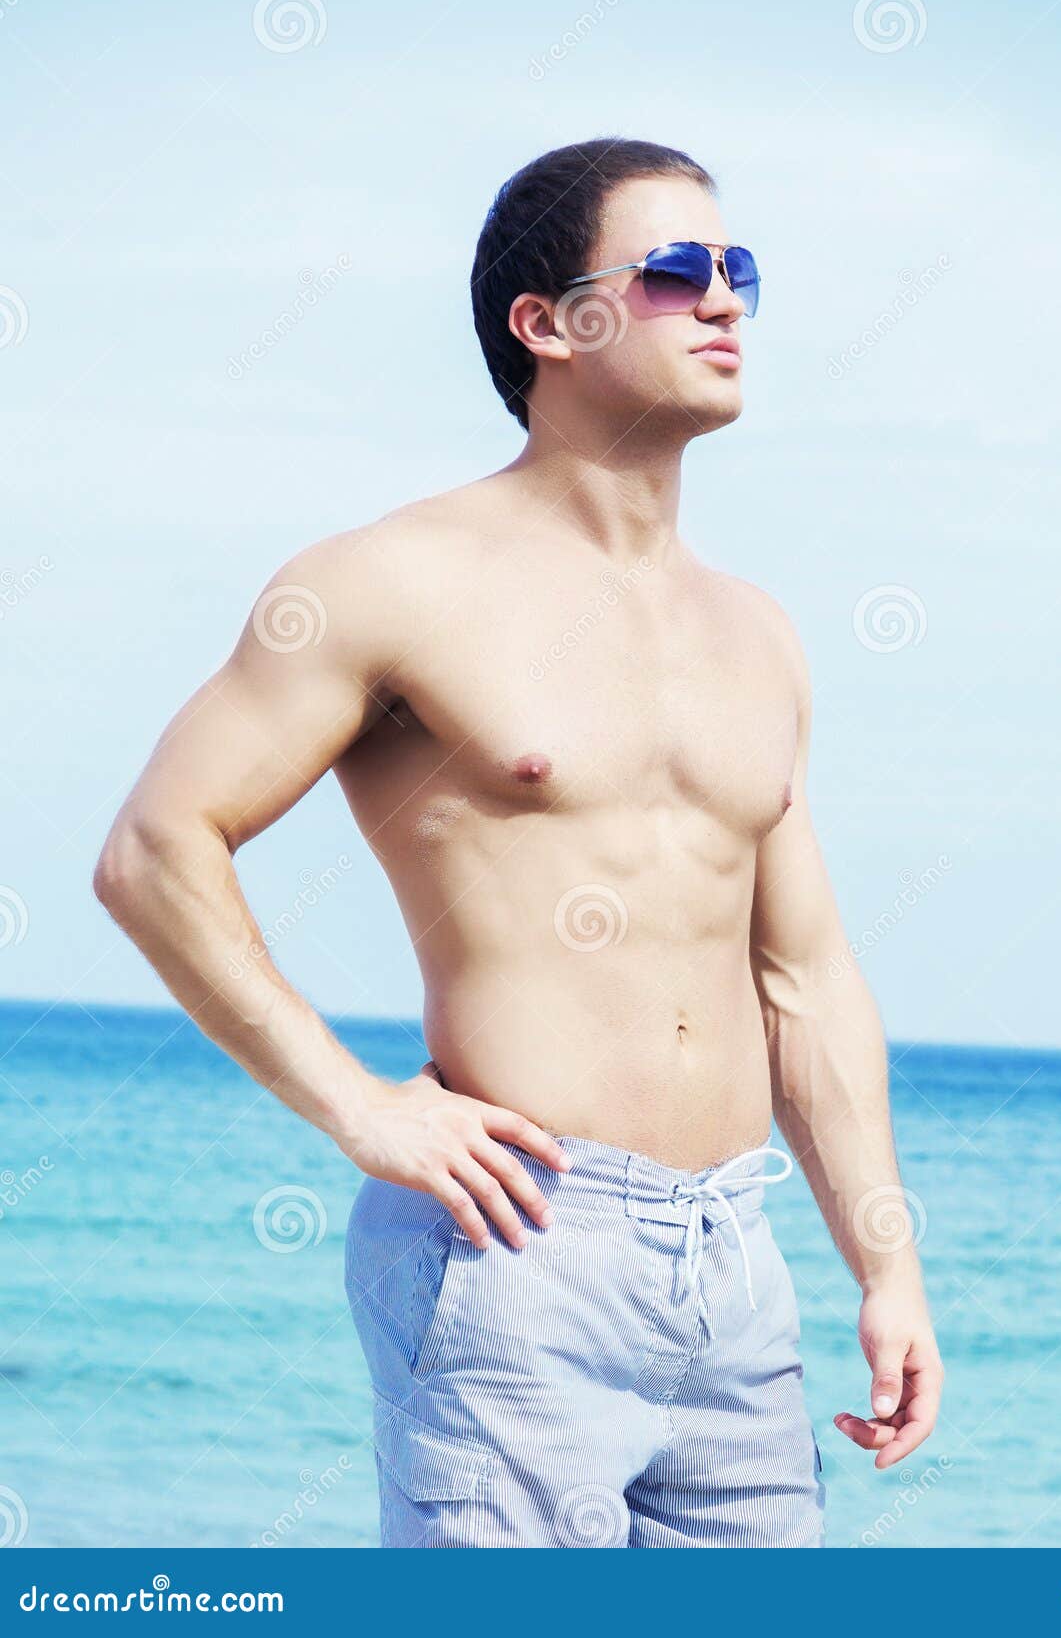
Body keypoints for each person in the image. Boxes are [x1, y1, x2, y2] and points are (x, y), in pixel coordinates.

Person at [94, 137, 942, 1548]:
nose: (724, 300)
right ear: (543, 323)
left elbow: (804, 980)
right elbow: (154, 847)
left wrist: (886, 1264)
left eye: (740, 270)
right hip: (516, 1244)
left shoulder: (758, 634)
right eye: (675, 272)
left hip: (734, 1260)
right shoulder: (387, 582)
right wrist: (360, 1107)